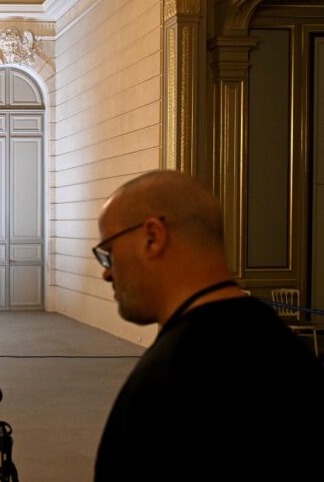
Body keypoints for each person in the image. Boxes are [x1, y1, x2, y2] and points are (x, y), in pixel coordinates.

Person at [93, 170, 324, 481]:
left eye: (109, 253)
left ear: (153, 237)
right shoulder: (277, 341)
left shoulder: (171, 376)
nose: (107, 273)